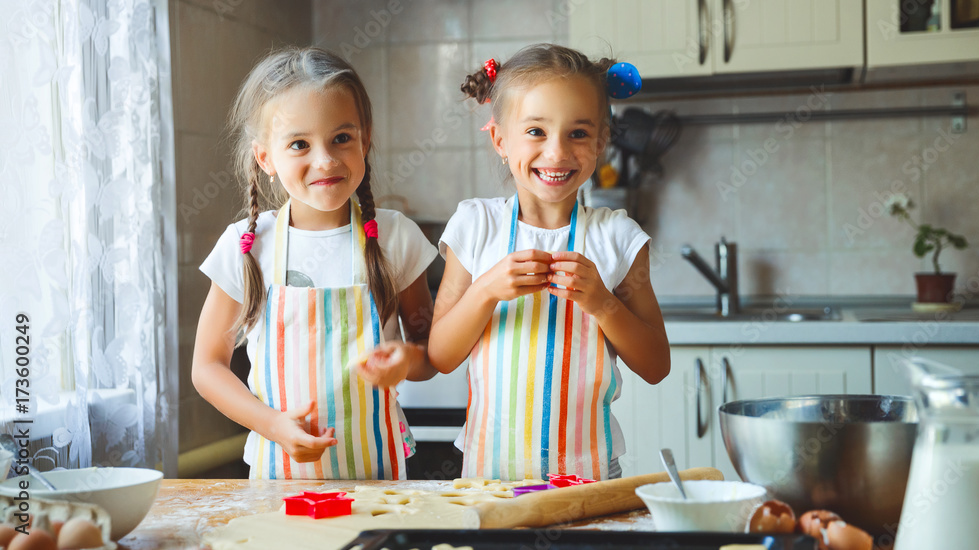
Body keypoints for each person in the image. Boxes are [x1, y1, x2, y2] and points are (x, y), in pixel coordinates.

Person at [428, 44, 671, 482]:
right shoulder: (475, 225)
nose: (557, 153)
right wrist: (485, 290)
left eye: (578, 134)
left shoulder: (618, 237)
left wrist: (603, 304)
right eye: (536, 132)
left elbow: (655, 366)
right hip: (489, 478)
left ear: (601, 142)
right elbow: (441, 355)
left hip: (592, 475)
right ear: (500, 139)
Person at [192, 47, 438, 480]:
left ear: (365, 138)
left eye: (341, 138)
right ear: (265, 158)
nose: (324, 160)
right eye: (300, 144)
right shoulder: (247, 246)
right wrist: (271, 424)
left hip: (379, 481)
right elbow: (207, 366)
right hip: (277, 480)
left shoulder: (396, 236)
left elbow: (430, 352)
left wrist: (407, 360)